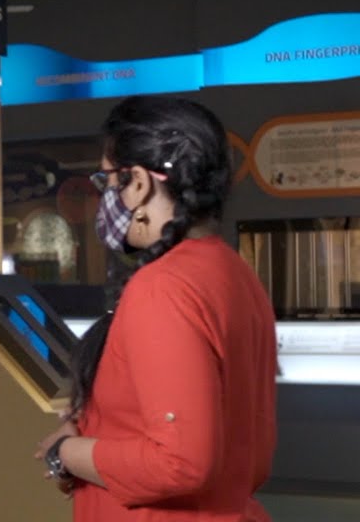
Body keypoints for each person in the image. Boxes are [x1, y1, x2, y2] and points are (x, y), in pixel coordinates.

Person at [34, 95, 278, 521]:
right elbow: (247, 454)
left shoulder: (161, 287)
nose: (105, 197)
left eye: (106, 181)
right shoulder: (235, 273)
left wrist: (67, 451)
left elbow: (179, 462)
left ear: (140, 184)